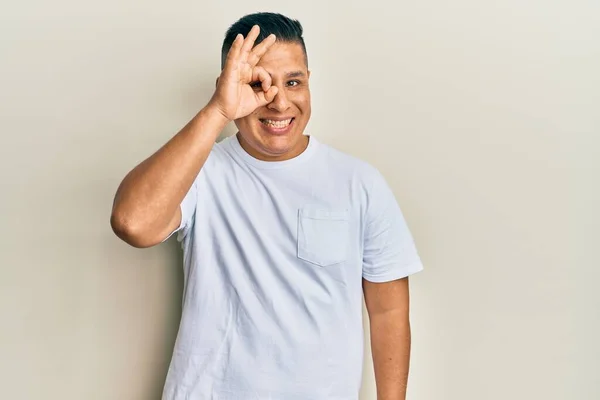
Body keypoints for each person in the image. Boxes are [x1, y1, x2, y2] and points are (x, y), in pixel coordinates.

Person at [110, 12, 423, 400]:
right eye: (258, 83)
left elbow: (388, 313)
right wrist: (218, 111)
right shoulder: (199, 171)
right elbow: (132, 223)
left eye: (294, 82)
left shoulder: (359, 182)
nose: (279, 102)